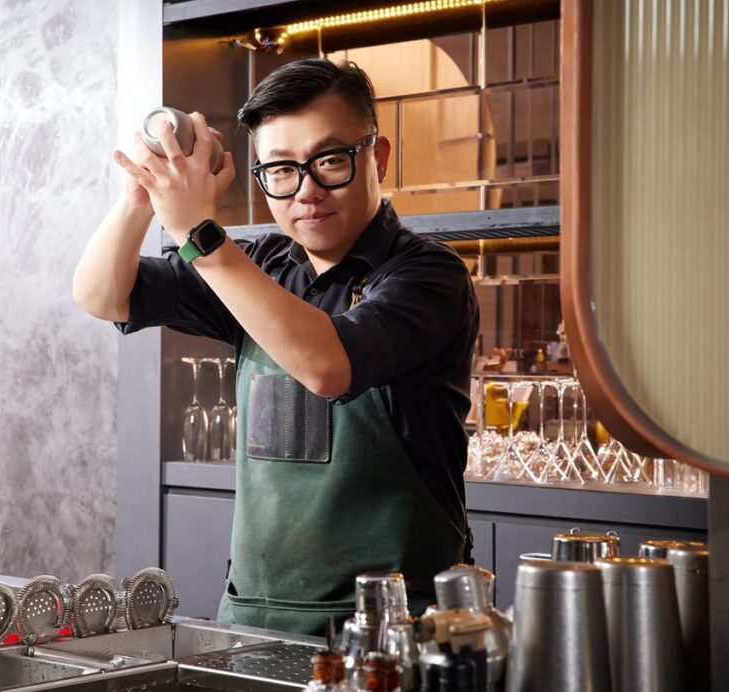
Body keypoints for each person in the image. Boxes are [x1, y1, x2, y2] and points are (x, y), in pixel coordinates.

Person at [73, 58, 479, 636]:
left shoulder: (428, 276)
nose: (307, 190)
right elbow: (101, 294)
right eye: (282, 170)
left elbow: (327, 366)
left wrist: (198, 233)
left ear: (379, 157)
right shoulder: (259, 265)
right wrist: (145, 191)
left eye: (330, 161)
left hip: (390, 634)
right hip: (252, 619)